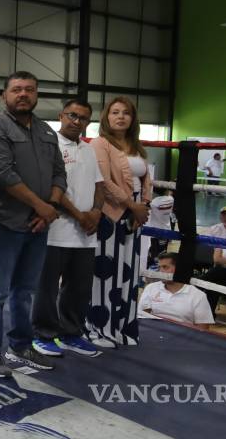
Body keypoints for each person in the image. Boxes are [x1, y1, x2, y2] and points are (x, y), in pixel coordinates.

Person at [0, 71, 66, 376]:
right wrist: (42, 207)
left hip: (39, 225)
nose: (23, 94)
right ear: (5, 95)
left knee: (25, 290)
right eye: (16, 90)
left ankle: (21, 345)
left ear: (36, 95)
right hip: (5, 222)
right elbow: (2, 174)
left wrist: (49, 209)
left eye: (29, 89)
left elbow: (58, 173)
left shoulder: (46, 131)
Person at [31, 99, 106, 359]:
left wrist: (95, 213)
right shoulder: (49, 146)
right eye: (72, 115)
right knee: (47, 286)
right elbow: (54, 186)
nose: (77, 121)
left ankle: (71, 333)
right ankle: (43, 334)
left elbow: (99, 184)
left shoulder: (88, 149)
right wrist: (79, 215)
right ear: (61, 115)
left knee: (79, 287)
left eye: (83, 118)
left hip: (85, 232)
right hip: (57, 229)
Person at [88, 96, 153, 347]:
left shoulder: (137, 146)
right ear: (106, 117)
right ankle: (99, 327)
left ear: (133, 118)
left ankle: (123, 327)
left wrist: (144, 206)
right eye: (115, 112)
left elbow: (146, 179)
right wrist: (132, 205)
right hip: (110, 211)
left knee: (128, 271)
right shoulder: (100, 143)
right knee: (105, 271)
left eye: (126, 112)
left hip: (135, 213)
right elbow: (103, 180)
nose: (120, 116)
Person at [138, 253, 214, 330]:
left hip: (182, 336)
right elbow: (142, 317)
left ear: (179, 269)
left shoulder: (198, 295)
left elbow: (203, 330)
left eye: (165, 267)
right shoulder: (151, 287)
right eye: (159, 267)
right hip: (154, 332)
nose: (160, 271)